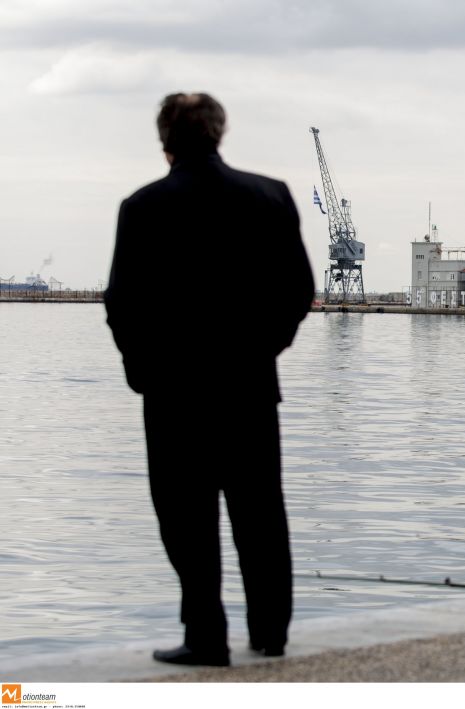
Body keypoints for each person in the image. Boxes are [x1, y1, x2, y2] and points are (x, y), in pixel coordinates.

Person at [105, 93, 314, 665]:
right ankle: (270, 631)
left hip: (174, 394)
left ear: (164, 140)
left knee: (186, 517)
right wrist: (266, 348)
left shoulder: (142, 206)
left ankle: (206, 636)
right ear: (219, 134)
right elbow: (298, 290)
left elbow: (122, 303)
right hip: (249, 386)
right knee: (261, 514)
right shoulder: (270, 196)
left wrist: (143, 372)